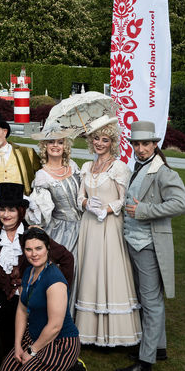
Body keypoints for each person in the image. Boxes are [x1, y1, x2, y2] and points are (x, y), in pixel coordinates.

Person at [114, 121, 185, 371]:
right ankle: (158, 348)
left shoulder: (163, 172)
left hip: (149, 244)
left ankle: (145, 363)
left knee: (151, 302)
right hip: (134, 242)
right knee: (148, 299)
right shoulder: (139, 167)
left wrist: (145, 210)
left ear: (155, 145)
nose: (140, 148)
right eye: (136, 144)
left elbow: (181, 204)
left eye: (145, 143)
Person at [0, 184, 74, 371]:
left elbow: (66, 258)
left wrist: (56, 290)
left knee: (20, 312)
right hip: (8, 294)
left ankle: (30, 355)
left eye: (11, 210)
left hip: (31, 297)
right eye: (2, 209)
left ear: (20, 212)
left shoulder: (33, 235)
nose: (6, 214)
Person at [73, 115, 141, 348]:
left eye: (105, 139)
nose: (99, 143)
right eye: (96, 139)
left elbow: (124, 199)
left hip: (110, 226)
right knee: (90, 272)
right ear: (90, 141)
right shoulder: (86, 167)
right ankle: (88, 332)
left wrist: (106, 209)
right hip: (89, 225)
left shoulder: (119, 167)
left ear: (112, 143)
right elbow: (79, 196)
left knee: (110, 271)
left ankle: (115, 333)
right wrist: (87, 204)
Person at [0, 229, 81, 371]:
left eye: (38, 248)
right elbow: (22, 309)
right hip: (34, 335)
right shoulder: (29, 271)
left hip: (60, 342)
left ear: (47, 249)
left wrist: (32, 351)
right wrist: (17, 345)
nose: (34, 254)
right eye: (29, 249)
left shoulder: (55, 280)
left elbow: (55, 326)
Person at [32, 128, 83, 257]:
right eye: (51, 142)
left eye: (60, 142)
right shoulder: (42, 176)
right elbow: (42, 210)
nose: (55, 145)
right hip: (62, 230)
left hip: (84, 226)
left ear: (65, 146)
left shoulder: (73, 166)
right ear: (45, 146)